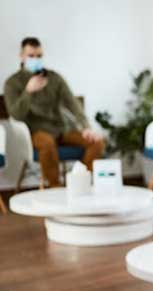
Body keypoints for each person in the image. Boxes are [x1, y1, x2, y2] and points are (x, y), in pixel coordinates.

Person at [3, 37, 104, 187]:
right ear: (22, 56)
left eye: (39, 56)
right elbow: (16, 114)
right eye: (31, 56)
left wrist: (86, 127)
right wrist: (28, 92)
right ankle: (55, 188)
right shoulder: (12, 83)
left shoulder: (54, 78)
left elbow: (73, 103)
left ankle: (82, 183)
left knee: (97, 142)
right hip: (36, 132)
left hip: (62, 129)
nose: (35, 59)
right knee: (47, 143)